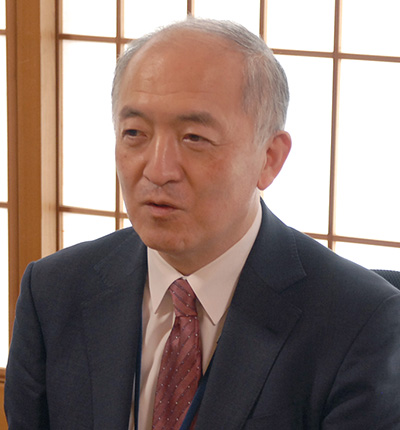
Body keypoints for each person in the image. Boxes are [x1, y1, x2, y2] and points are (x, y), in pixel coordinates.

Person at [5, 18, 400, 430]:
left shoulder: (361, 323)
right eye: (134, 132)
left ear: (269, 158)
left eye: (194, 138)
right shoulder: (53, 293)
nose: (158, 171)